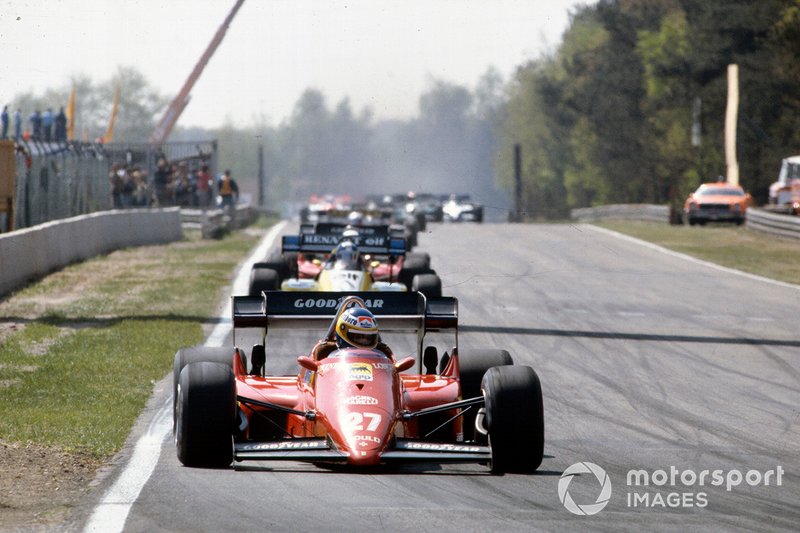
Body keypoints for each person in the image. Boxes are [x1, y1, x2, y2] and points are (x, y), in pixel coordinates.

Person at [311, 306, 393, 361]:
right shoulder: (324, 352)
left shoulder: (383, 353)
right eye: (358, 336)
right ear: (343, 332)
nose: (363, 341)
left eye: (368, 338)